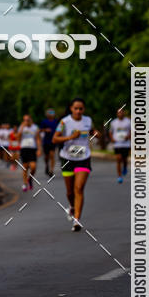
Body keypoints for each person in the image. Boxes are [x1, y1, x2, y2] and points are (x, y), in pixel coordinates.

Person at [52, 97, 99, 232]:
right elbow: (55, 138)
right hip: (67, 158)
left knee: (79, 188)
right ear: (71, 109)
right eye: (76, 108)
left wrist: (96, 133)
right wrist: (69, 138)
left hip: (84, 157)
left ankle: (76, 220)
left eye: (81, 109)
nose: (78, 111)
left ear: (84, 109)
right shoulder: (64, 122)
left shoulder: (88, 120)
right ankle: (72, 207)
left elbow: (92, 131)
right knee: (70, 192)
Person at [17, 113, 41, 191]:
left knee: (33, 167)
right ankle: (25, 183)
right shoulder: (21, 127)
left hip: (32, 148)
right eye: (24, 120)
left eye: (27, 120)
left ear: (31, 120)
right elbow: (18, 137)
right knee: (25, 167)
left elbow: (37, 138)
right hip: (24, 148)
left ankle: (30, 179)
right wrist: (22, 128)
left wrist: (39, 149)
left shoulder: (35, 127)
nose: (26, 121)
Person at [109, 107, 131, 183]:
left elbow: (132, 131)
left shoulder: (128, 122)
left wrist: (128, 136)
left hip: (126, 144)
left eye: (121, 112)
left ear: (124, 113)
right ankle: (119, 176)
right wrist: (112, 139)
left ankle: (125, 167)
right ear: (117, 114)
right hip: (117, 144)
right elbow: (110, 132)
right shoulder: (113, 122)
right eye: (119, 112)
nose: (120, 114)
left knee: (124, 159)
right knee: (118, 159)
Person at [39, 108, 58, 177]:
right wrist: (45, 130)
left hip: (53, 141)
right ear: (47, 114)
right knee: (46, 157)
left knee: (52, 156)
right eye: (50, 113)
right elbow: (40, 130)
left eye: (52, 112)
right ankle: (47, 165)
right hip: (46, 141)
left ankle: (51, 170)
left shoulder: (56, 121)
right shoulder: (44, 121)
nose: (51, 114)